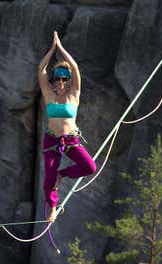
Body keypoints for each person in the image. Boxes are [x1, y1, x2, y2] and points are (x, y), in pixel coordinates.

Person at [38, 31, 96, 222]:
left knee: (90, 167)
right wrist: (52, 50)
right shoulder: (49, 96)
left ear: (68, 80)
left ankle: (62, 174)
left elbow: (76, 68)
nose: (61, 82)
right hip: (52, 139)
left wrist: (61, 48)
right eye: (58, 79)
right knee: (48, 180)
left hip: (70, 139)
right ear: (54, 80)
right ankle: (53, 208)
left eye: (64, 79)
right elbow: (41, 71)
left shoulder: (74, 95)